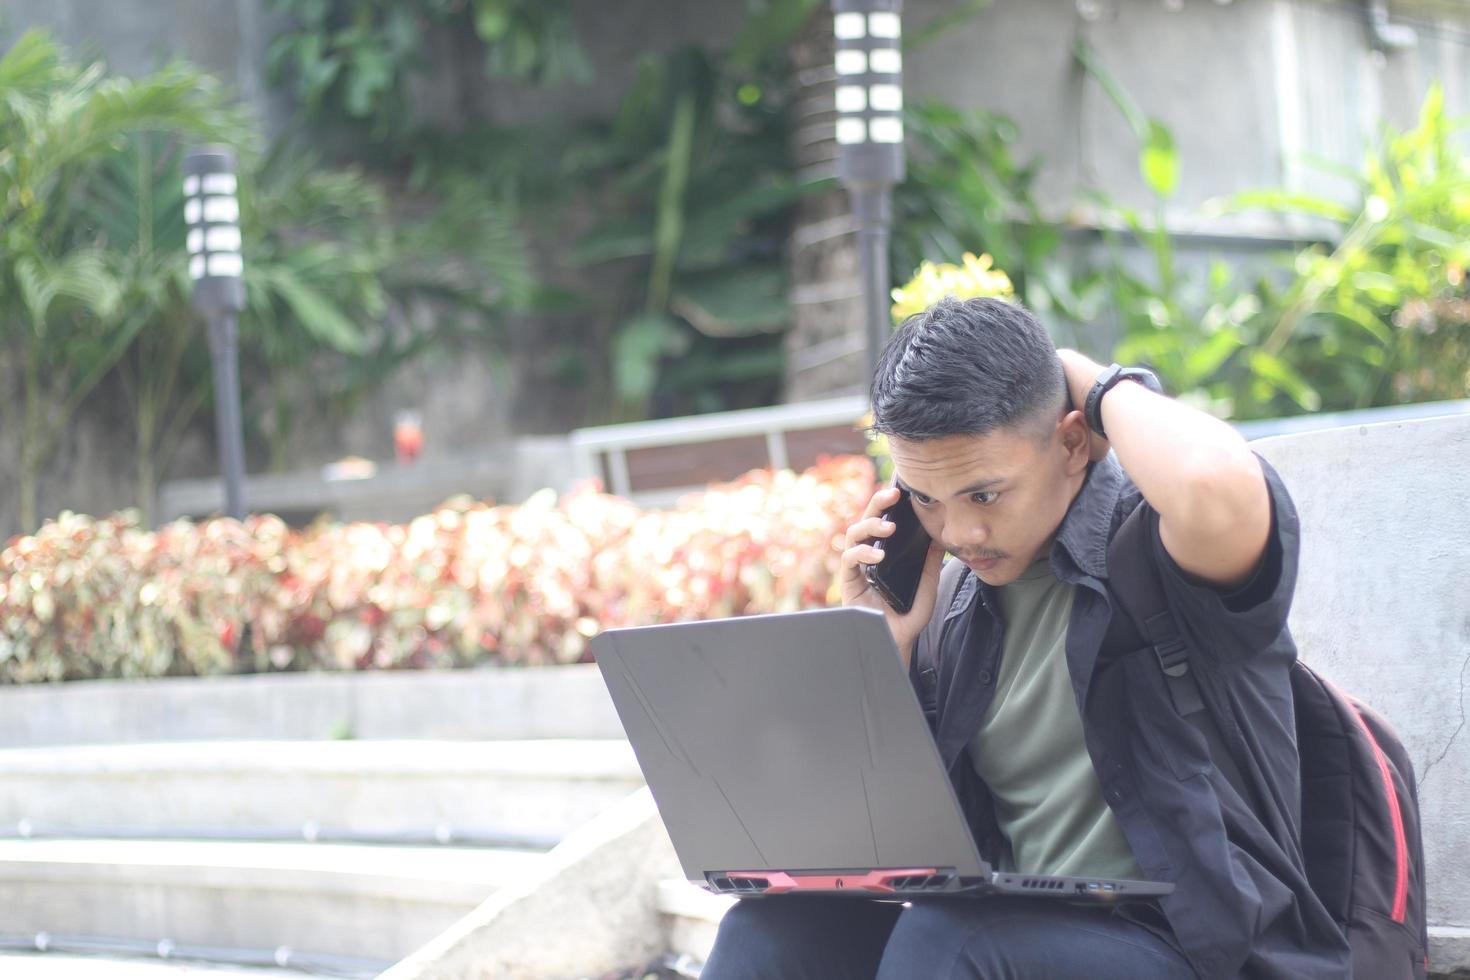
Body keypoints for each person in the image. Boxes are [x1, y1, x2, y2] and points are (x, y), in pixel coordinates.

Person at [700, 296, 1351, 979]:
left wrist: (1085, 378)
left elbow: (1213, 482)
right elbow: (863, 841)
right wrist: (877, 646)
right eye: (927, 499)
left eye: (984, 495)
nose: (958, 534)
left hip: (1198, 951)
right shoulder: (953, 608)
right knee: (769, 931)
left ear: (1072, 443)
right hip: (1010, 937)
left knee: (951, 942)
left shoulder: (1163, 557)